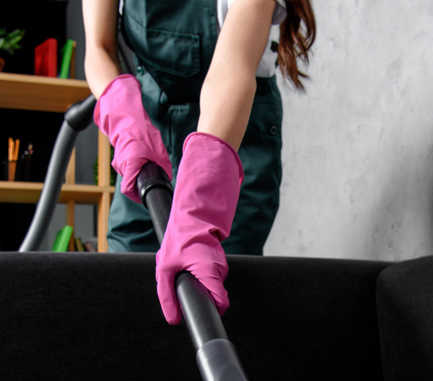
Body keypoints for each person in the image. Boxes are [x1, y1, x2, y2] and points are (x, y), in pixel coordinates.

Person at [83, 0, 315, 324]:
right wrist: (123, 115)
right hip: (147, 129)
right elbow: (98, 47)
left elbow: (233, 66)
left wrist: (200, 206)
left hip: (233, 132)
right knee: (131, 292)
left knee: (218, 303)